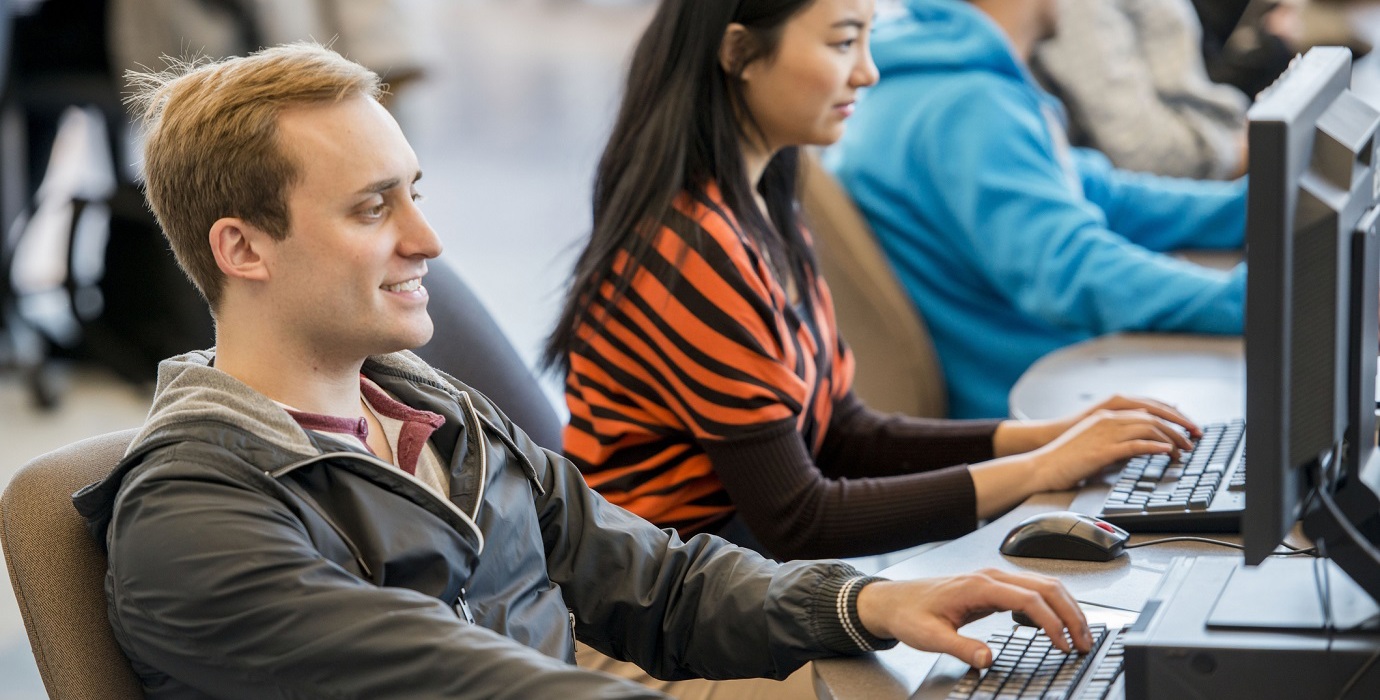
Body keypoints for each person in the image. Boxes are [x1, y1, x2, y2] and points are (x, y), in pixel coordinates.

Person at [70, 41, 1094, 699]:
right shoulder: (194, 518)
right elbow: (478, 687)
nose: (429, 237)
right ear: (242, 248)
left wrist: (865, 604)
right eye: (374, 207)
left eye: (414, 191)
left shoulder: (437, 412)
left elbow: (661, 580)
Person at [545, 0, 1197, 563]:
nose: (868, 70)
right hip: (673, 611)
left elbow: (843, 432)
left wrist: (1054, 435)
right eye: (842, 41)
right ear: (740, 53)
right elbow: (800, 518)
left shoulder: (765, 202)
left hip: (745, 580)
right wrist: (1038, 470)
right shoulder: (692, 250)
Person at [831, 0, 1249, 420]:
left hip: (1054, 384)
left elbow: (1096, 192)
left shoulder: (939, 79)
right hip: (1036, 408)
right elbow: (1072, 269)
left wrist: (1251, 208)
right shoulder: (968, 105)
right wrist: (1246, 300)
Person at [1031, 0, 1250, 180]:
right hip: (1187, 175)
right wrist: (1237, 154)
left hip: (1217, 142)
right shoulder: (1081, 9)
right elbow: (1139, 148)